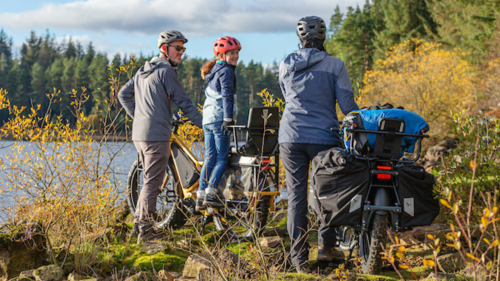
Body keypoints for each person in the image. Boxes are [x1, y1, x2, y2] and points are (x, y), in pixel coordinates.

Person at [278, 16, 360, 273]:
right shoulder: (335, 65)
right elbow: (347, 107)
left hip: (290, 137)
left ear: (299, 38)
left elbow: (286, 94)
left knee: (296, 198)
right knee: (328, 192)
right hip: (324, 137)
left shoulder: (285, 64)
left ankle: (298, 260)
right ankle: (326, 247)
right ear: (323, 37)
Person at [118, 30, 203, 244]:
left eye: (183, 48)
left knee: (148, 180)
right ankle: (146, 232)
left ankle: (137, 228)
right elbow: (184, 102)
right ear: (164, 49)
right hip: (156, 135)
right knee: (153, 183)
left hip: (139, 134)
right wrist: (206, 125)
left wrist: (139, 115)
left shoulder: (143, 70)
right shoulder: (166, 71)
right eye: (177, 48)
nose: (181, 52)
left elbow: (123, 95)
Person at [195, 36, 241, 211]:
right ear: (221, 55)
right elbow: (227, 96)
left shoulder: (214, 70)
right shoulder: (226, 71)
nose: (235, 56)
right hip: (220, 118)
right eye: (231, 53)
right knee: (222, 158)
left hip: (207, 118)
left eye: (237, 53)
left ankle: (200, 195)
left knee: (210, 157)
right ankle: (212, 192)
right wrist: (229, 119)